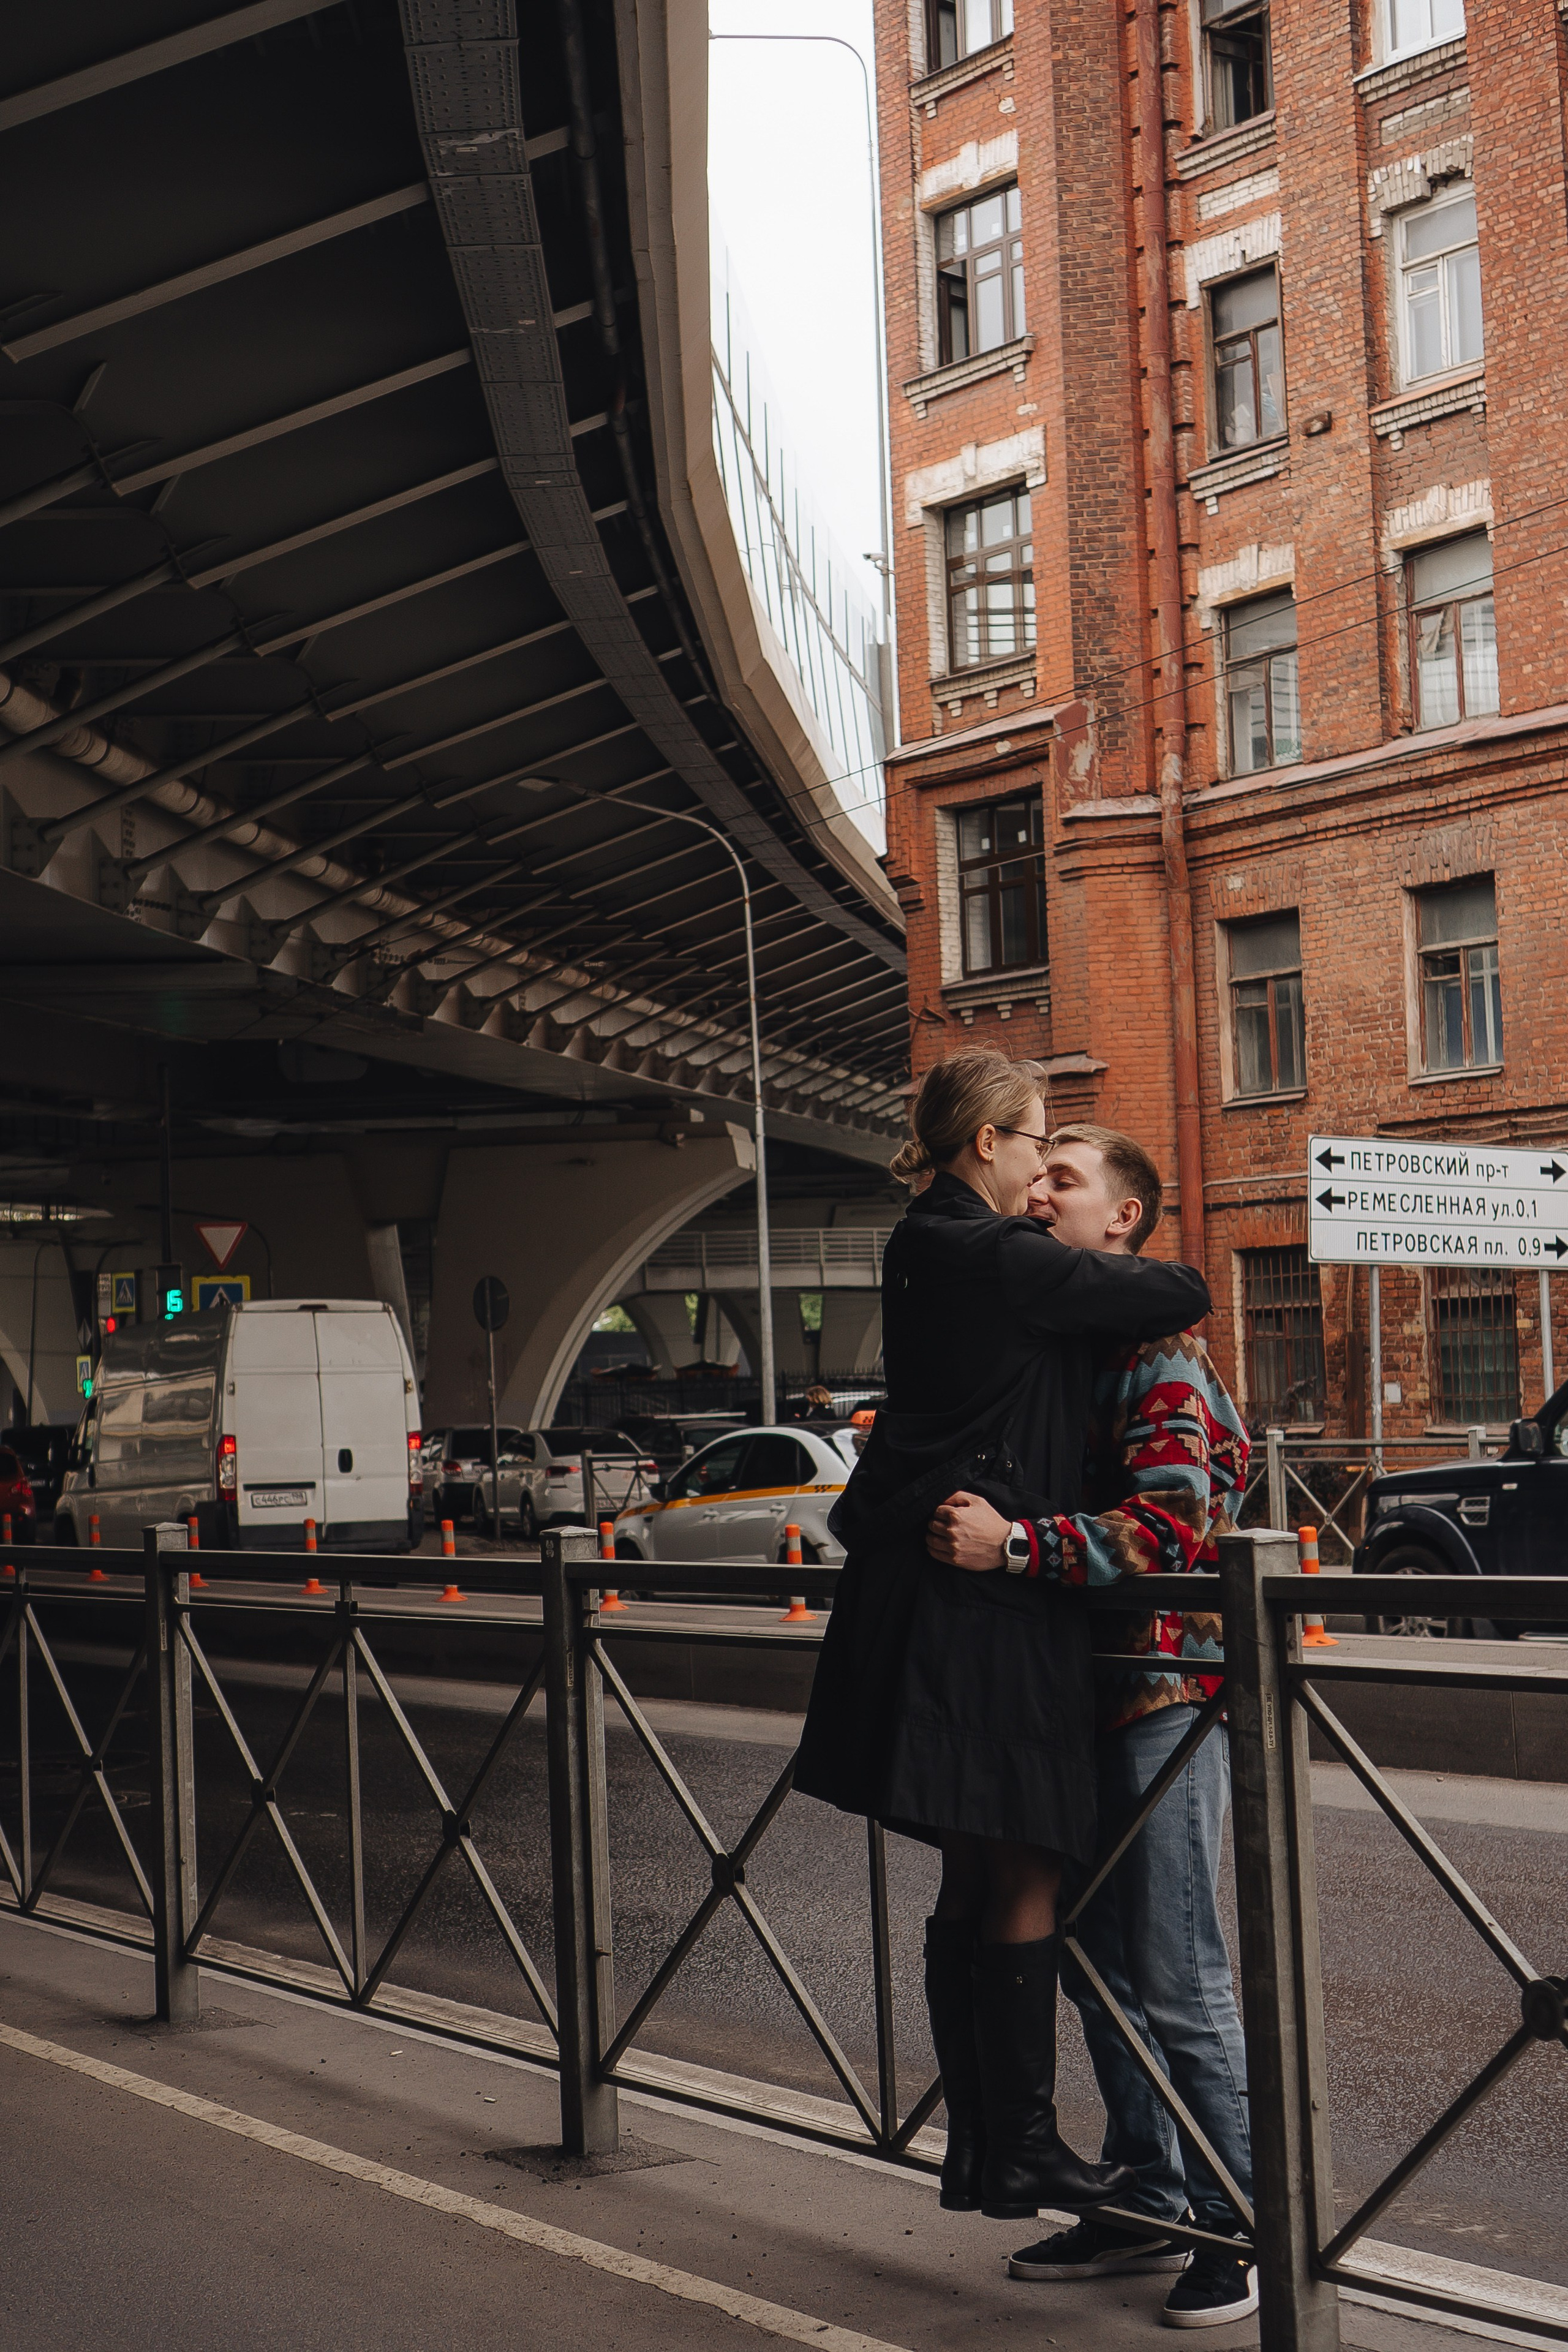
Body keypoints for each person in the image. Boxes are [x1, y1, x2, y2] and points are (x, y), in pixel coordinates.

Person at [794, 1052, 1212, 2225]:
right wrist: (1083, 1242)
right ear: (987, 1141)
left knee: (974, 1874)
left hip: (923, 1597)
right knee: (1023, 1864)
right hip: (986, 1609)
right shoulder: (998, 1251)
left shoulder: (921, 1241)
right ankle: (1017, 2148)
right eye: (1034, 1143)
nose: (1039, 1170)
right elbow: (1179, 1290)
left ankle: (982, 2147)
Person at [925, 1121, 1257, 2329]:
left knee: (1176, 1977)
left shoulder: (1158, 1346)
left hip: (1163, 1697)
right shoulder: (1056, 1342)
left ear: (1120, 1218)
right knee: (1097, 1969)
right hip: (1068, 1701)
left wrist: (1015, 1545)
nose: (1036, 1190)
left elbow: (1175, 1530)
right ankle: (1147, 2194)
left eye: (1062, 1179)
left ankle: (1238, 2222)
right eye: (1035, 1170)